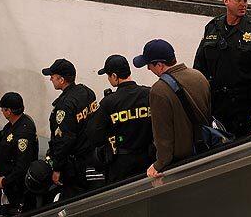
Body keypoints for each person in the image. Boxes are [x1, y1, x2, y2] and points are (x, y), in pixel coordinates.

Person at [193, 0, 251, 137]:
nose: (243, 4)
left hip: (246, 104)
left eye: (245, 0)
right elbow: (200, 65)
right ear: (226, 1)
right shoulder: (213, 27)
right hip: (217, 102)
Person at [133, 39, 211, 178]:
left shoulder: (159, 90)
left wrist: (159, 164)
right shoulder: (199, 76)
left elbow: (163, 135)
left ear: (159, 65)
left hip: (180, 164)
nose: (148, 69)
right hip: (205, 151)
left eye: (149, 65)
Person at [42, 58, 99, 199]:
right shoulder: (87, 92)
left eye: (53, 76)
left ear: (61, 80)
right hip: (92, 156)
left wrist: (57, 168)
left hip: (75, 164)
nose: (50, 79)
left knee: (75, 196)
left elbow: (64, 140)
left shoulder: (64, 106)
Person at [92, 55, 153, 183]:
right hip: (149, 161)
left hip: (121, 165)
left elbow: (95, 134)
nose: (109, 79)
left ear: (114, 76)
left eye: (108, 76)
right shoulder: (149, 93)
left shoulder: (109, 102)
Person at [0, 92, 38, 215]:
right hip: (10, 183)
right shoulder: (15, 125)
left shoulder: (23, 133)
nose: (1, 111)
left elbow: (22, 165)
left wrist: (5, 181)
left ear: (9, 111)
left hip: (17, 188)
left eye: (3, 109)